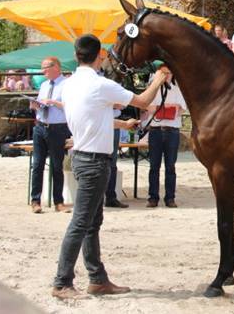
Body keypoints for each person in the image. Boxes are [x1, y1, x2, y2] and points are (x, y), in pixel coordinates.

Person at [51, 34, 167, 300]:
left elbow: (91, 116)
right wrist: (159, 78)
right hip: (95, 160)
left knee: (91, 222)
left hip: (82, 156)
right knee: (81, 222)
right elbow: (143, 102)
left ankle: (97, 278)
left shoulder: (69, 85)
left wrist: (122, 125)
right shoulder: (100, 84)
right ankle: (62, 282)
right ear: (100, 55)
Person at [29, 57, 70, 214]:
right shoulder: (44, 85)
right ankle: (35, 200)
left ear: (56, 67)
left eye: (45, 68)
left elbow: (70, 106)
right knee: (37, 165)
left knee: (57, 166)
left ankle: (58, 201)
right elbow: (41, 105)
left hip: (57, 128)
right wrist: (36, 105)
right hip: (40, 127)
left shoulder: (66, 85)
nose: (43, 71)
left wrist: (53, 102)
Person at [146, 64, 187, 208]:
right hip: (156, 129)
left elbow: (182, 108)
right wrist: (163, 109)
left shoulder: (177, 89)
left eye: (169, 73)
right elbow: (146, 106)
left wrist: (171, 111)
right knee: (154, 166)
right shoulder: (153, 89)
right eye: (164, 73)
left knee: (170, 166)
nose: (167, 76)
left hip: (172, 130)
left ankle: (170, 197)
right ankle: (153, 197)